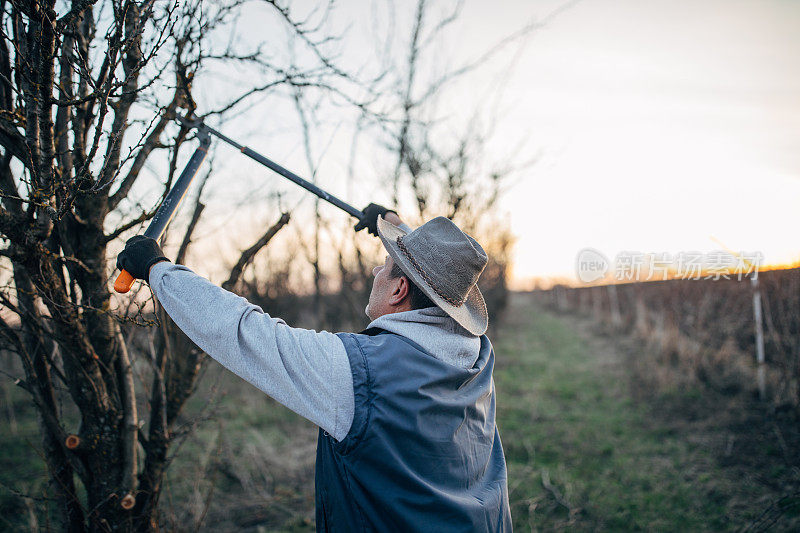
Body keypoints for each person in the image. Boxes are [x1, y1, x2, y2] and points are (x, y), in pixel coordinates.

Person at [117, 203, 512, 532]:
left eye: (386, 266)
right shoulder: (476, 353)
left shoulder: (357, 375)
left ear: (398, 290)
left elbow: (243, 330)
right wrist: (390, 224)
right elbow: (440, 275)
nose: (376, 271)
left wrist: (156, 268)